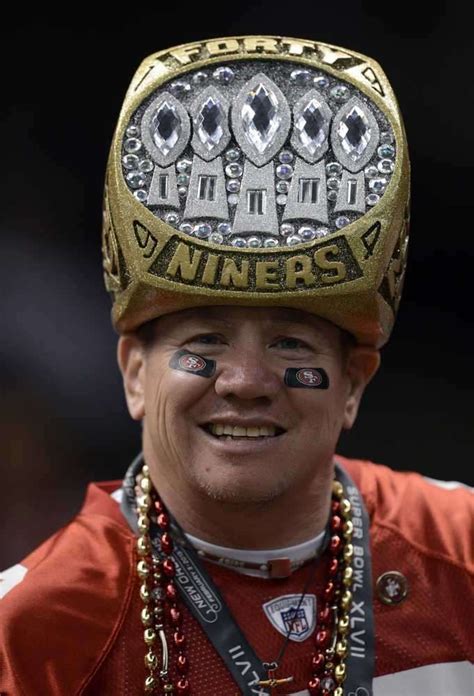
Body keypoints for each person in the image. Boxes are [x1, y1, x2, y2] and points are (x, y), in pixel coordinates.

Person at [0, 35, 472, 696]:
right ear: (135, 373)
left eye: (291, 346)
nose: (246, 382)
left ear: (354, 385)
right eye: (207, 342)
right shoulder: (34, 629)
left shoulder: (460, 555)